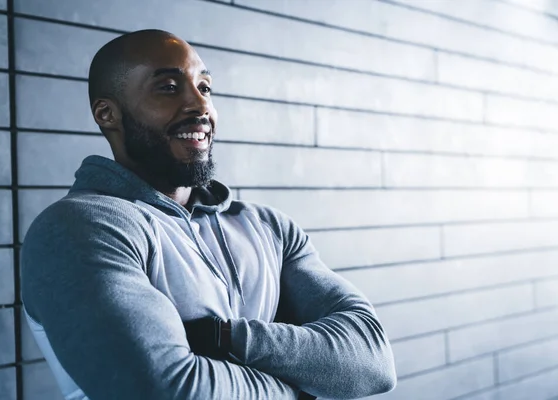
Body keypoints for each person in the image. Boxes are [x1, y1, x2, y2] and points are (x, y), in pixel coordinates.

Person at [21, 29, 397, 400]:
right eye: (168, 87)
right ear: (107, 113)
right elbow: (169, 391)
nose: (200, 106)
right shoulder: (80, 228)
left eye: (204, 87)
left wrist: (226, 336)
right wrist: (306, 387)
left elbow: (372, 361)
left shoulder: (269, 227)